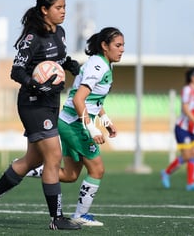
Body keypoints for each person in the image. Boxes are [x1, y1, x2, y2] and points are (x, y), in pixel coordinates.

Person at [0, 0, 81, 230]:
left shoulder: (61, 32)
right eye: (58, 8)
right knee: (53, 156)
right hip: (33, 104)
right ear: (44, 10)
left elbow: (56, 60)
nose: (63, 11)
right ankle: (56, 219)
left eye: (65, 7)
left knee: (33, 159)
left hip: (51, 102)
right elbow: (17, 71)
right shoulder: (32, 38)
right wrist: (34, 84)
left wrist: (70, 64)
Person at [27, 27, 125, 226]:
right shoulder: (98, 67)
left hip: (69, 121)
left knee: (71, 175)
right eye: (118, 45)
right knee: (98, 170)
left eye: (123, 45)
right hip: (75, 124)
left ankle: (30, 169)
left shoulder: (104, 64)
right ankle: (80, 215)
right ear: (104, 46)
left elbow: (94, 101)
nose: (122, 49)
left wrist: (106, 122)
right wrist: (93, 129)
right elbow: (79, 100)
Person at [160, 67, 194, 191]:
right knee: (186, 155)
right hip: (183, 128)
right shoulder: (187, 90)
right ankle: (166, 172)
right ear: (193, 78)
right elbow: (185, 109)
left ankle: (191, 183)